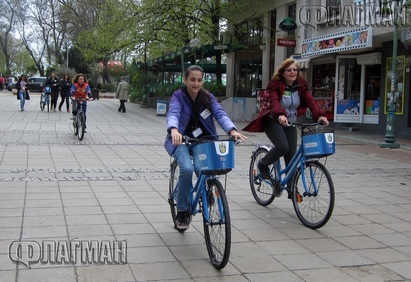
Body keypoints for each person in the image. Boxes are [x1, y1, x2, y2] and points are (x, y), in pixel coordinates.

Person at [164, 65, 247, 230]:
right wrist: (174, 129)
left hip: (201, 140)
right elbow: (173, 112)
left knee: (205, 168)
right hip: (181, 140)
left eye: (199, 80)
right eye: (192, 80)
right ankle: (182, 210)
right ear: (185, 80)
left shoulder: (207, 97)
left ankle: (207, 188)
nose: (196, 83)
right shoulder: (178, 96)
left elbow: (220, 114)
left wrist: (232, 130)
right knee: (187, 169)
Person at [243, 58, 329, 196]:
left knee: (291, 157)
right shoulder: (275, 85)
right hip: (273, 120)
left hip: (291, 122)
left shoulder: (300, 86)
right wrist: (280, 115)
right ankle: (263, 164)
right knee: (283, 147)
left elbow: (310, 101)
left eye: (295, 70)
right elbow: (275, 101)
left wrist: (319, 115)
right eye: (289, 70)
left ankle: (291, 187)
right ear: (283, 73)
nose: (292, 72)